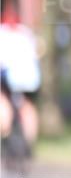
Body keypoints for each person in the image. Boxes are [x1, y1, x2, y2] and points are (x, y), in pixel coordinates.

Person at [0, 13, 42, 154]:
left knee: (3, 100)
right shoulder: (26, 32)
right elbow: (38, 52)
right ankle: (30, 143)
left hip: (10, 75)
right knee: (28, 107)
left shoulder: (2, 32)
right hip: (31, 77)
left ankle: (5, 134)